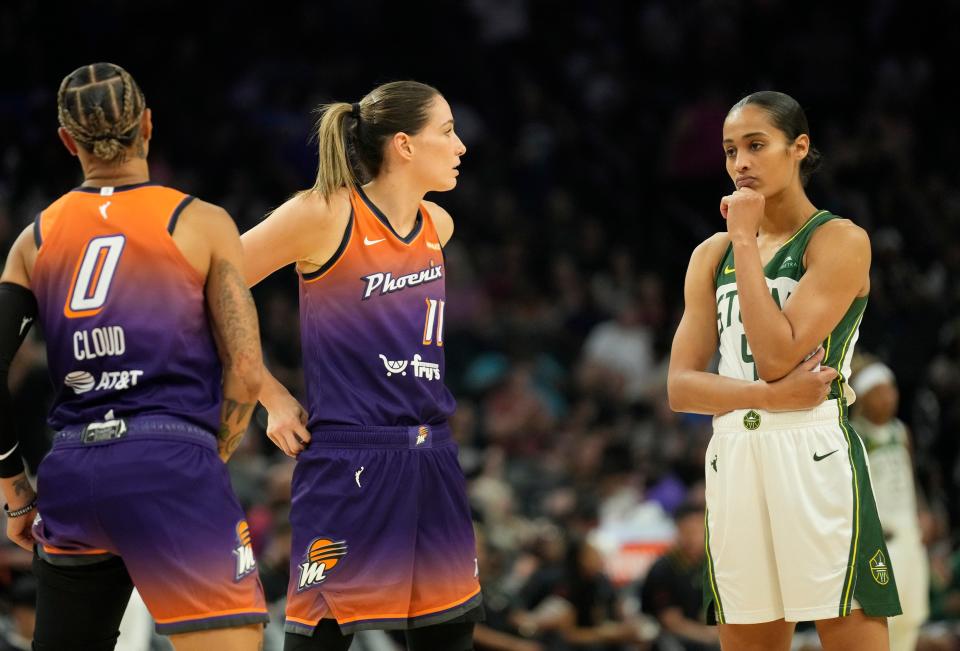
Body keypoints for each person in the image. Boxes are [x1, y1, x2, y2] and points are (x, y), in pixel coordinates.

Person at [0, 62, 268, 650]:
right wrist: (211, 444)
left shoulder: (34, 239)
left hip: (70, 472)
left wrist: (15, 486)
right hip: (168, 460)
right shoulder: (201, 221)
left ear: (68, 141)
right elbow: (247, 372)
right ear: (148, 125)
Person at [241, 81, 482, 651]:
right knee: (319, 639)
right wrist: (268, 394)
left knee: (452, 633)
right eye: (447, 131)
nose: (461, 145)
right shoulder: (323, 213)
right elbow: (208, 288)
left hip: (432, 455)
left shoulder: (438, 227)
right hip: (351, 454)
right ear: (403, 145)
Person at [667, 90, 902, 651]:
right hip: (734, 454)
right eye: (730, 151)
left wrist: (745, 240)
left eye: (756, 145)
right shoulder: (708, 255)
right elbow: (680, 387)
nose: (740, 163)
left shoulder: (839, 240)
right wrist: (767, 398)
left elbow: (779, 357)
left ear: (799, 148)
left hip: (813, 449)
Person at [850, 359, 929, 651]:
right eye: (880, 391)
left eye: (892, 390)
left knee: (911, 615)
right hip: (880, 536)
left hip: (908, 531)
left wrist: (924, 512)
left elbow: (911, 477)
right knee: (881, 617)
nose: (889, 397)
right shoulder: (854, 436)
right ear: (864, 397)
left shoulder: (901, 432)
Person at [640, 502, 720, 651]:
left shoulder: (710, 563)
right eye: (689, 531)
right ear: (678, 531)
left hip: (703, 632)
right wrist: (709, 636)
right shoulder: (664, 569)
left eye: (699, 531)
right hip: (669, 636)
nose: (694, 538)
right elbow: (671, 622)